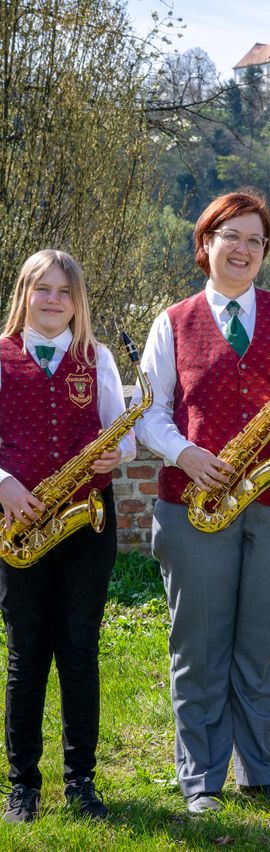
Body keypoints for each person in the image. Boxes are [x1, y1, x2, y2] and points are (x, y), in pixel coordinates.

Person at [134, 189, 270, 815]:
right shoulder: (171, 322)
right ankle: (200, 777)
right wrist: (186, 455)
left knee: (263, 639)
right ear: (206, 245)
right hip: (195, 498)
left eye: (255, 240)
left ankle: (260, 770)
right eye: (232, 236)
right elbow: (148, 413)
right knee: (198, 641)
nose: (244, 249)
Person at [0, 250, 134, 823]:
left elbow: (124, 439)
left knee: (80, 650)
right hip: (20, 521)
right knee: (26, 654)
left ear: (78, 301)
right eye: (42, 289)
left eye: (64, 291)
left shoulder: (97, 357)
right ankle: (22, 783)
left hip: (87, 519)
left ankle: (82, 781)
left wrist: (113, 453)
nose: (53, 299)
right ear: (24, 294)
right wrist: (3, 485)